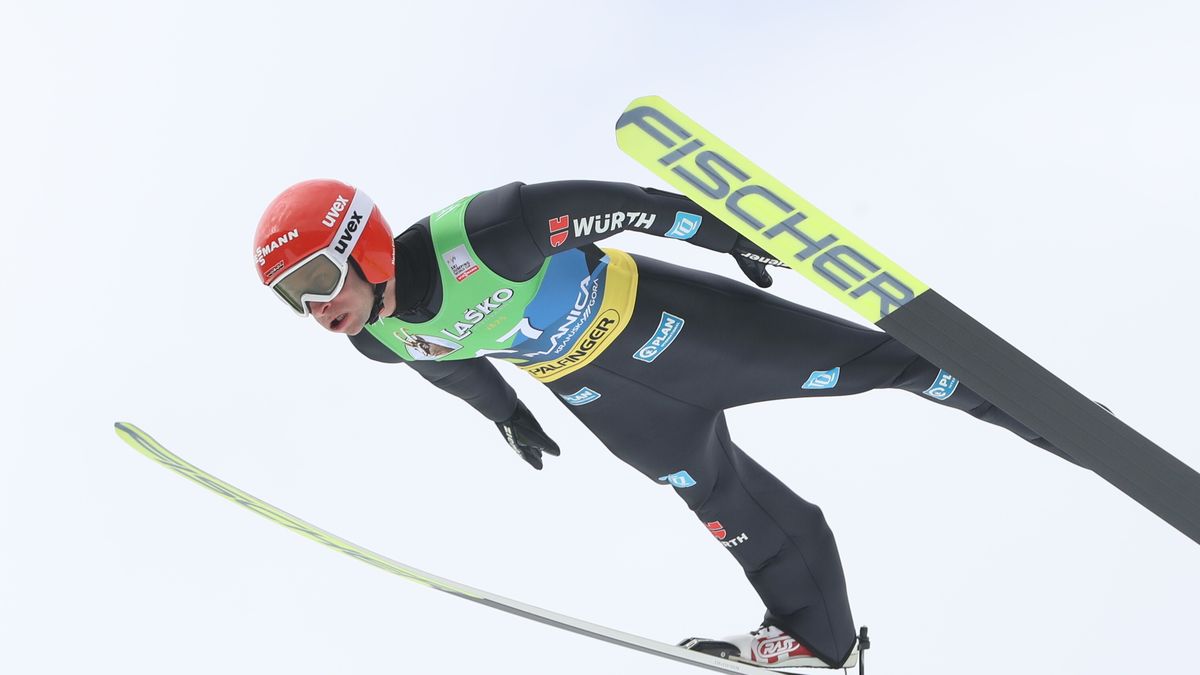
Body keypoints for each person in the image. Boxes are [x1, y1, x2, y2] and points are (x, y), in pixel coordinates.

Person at [253, 178, 1075, 669]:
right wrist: (508, 415)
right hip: (607, 399)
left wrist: (731, 236)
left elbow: (633, 209)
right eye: (295, 296)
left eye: (320, 275)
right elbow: (451, 362)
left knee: (884, 364)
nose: (319, 306)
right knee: (723, 502)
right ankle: (816, 639)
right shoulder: (380, 340)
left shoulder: (491, 232)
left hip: (677, 328)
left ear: (365, 245)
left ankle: (1057, 422)